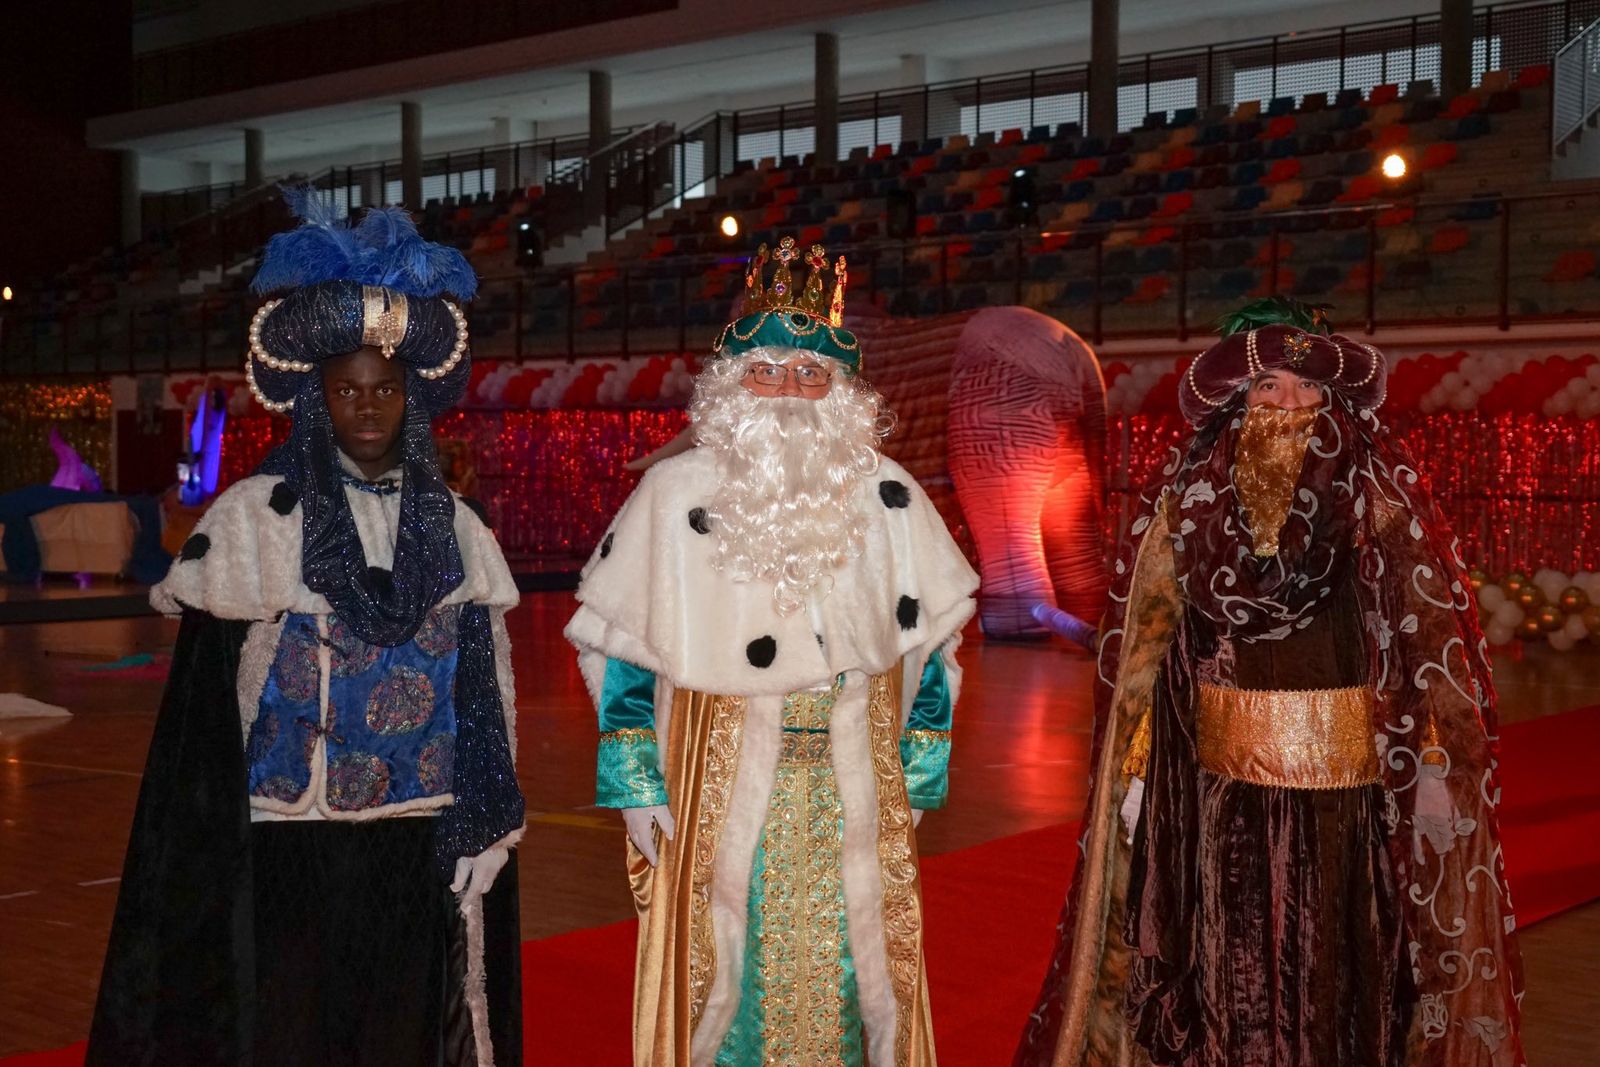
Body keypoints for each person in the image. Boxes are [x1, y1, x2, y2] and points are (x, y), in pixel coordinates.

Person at [1016, 298, 1525, 1067]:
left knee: (1336, 986)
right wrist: (1135, 772)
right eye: (1266, 389)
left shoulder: (1377, 500)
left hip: (1346, 804)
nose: (1287, 405)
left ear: (1333, 399)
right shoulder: (1185, 506)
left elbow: (1425, 642)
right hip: (1221, 802)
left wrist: (1430, 763)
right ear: (1235, 404)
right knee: (1230, 981)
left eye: (1305, 388)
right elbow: (1153, 656)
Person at [87, 192, 525, 1067]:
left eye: (385, 388)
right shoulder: (255, 521)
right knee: (287, 1030)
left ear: (411, 397)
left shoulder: (461, 529)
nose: (368, 406)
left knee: (401, 1030)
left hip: (416, 831)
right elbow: (200, 726)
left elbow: (483, 683)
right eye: (348, 389)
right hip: (288, 838)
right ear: (318, 399)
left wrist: (490, 813)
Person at [566, 236, 978, 1065]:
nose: (788, 392)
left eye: (809, 374)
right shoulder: (671, 495)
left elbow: (932, 654)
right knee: (722, 981)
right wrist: (635, 776)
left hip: (854, 775)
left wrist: (923, 766)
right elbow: (624, 657)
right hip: (714, 774)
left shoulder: (884, 491)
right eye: (766, 372)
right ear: (730, 387)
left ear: (839, 391)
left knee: (858, 984)